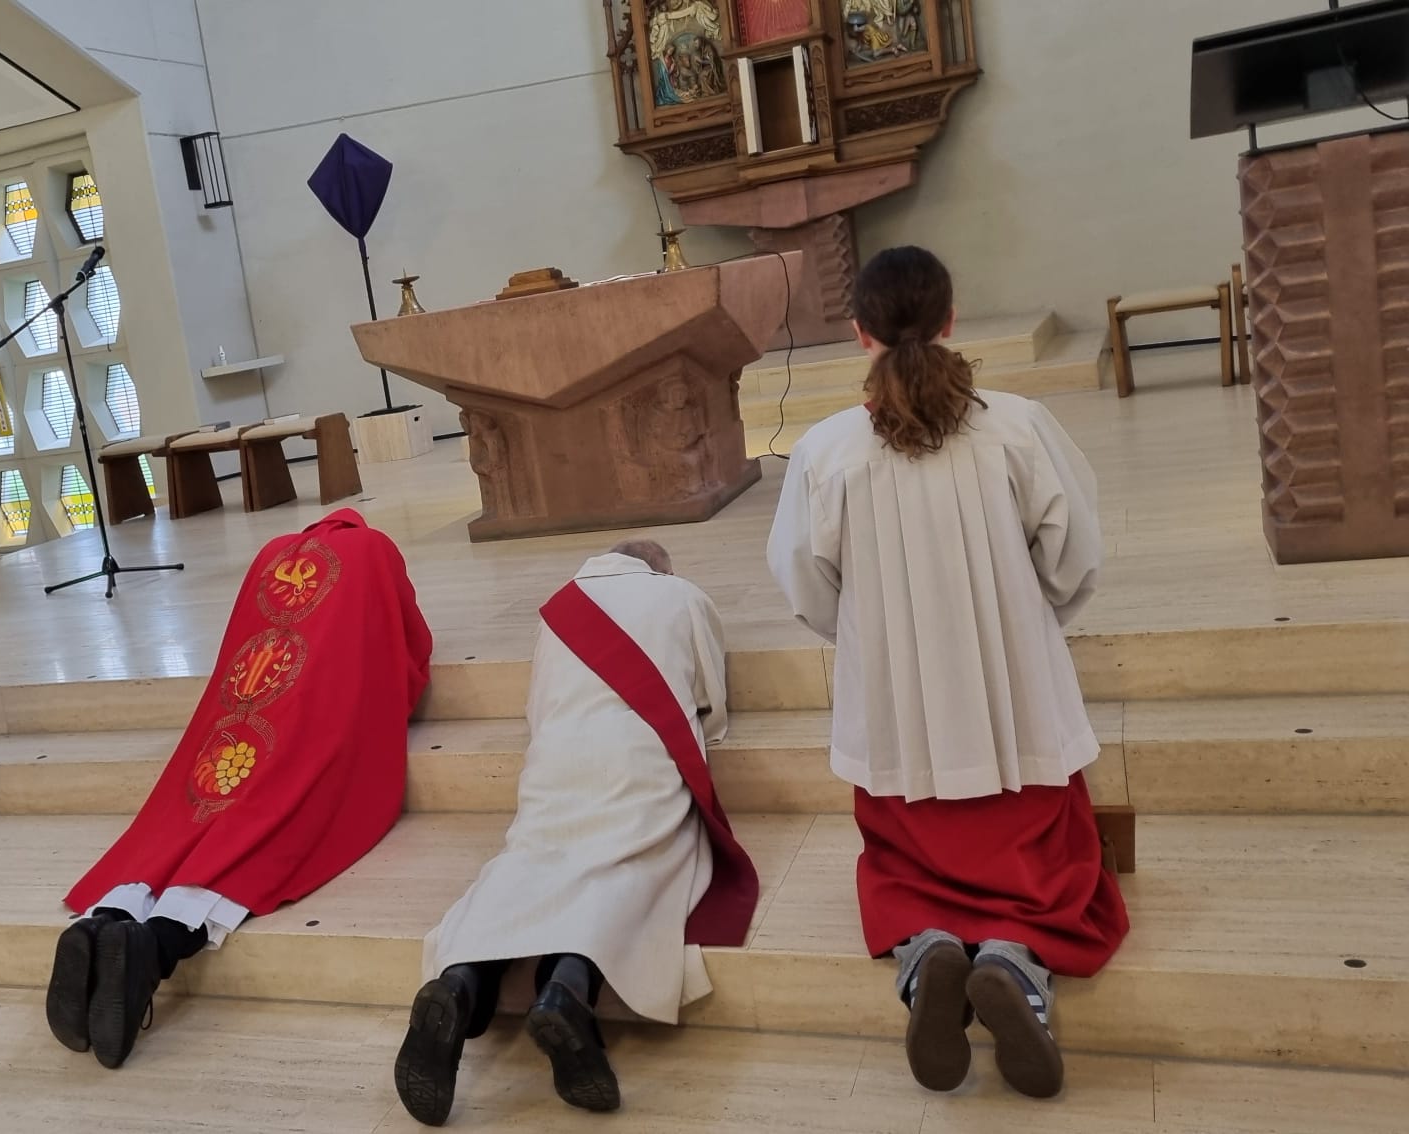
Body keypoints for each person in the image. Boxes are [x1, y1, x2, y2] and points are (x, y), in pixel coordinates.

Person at [766, 246, 1128, 1100]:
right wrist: (1026, 621)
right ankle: (1012, 960)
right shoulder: (1019, 425)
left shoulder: (825, 450)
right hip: (1016, 698)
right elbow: (1075, 555)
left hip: (898, 711)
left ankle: (928, 948)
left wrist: (870, 637)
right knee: (1047, 859)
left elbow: (806, 584)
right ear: (951, 319)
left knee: (904, 859)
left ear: (858, 332)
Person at [48, 508, 432, 1070]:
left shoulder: (271, 553)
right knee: (270, 832)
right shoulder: (375, 549)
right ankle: (156, 946)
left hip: (240, 716)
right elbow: (409, 644)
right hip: (313, 720)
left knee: (188, 822)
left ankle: (107, 919)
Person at [394, 540, 757, 1126]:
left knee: (528, 862)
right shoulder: (681, 596)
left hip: (556, 759)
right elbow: (708, 699)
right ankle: (567, 986)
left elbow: (538, 708)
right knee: (631, 867)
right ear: (661, 569)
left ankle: (461, 980)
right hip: (638, 761)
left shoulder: (558, 607)